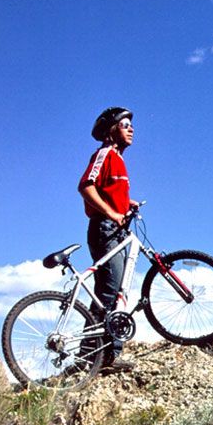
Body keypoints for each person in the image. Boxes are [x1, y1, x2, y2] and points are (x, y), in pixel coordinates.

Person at [78, 106, 138, 372]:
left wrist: (126, 203)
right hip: (104, 229)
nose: (131, 129)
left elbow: (108, 191)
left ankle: (102, 355)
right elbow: (86, 186)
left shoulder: (118, 159)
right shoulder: (105, 154)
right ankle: (94, 357)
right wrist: (112, 213)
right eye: (125, 125)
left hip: (115, 231)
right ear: (112, 130)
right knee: (109, 291)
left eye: (131, 125)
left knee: (113, 291)